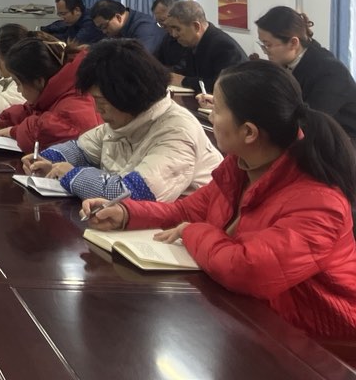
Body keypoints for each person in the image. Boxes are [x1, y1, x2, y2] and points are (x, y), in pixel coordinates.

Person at [84, 61, 356, 340]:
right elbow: (185, 210)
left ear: (249, 132)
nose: (210, 116)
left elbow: (247, 270)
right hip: (251, 318)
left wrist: (192, 232)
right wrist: (125, 213)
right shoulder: (240, 167)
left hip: (321, 344)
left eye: (216, 109)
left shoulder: (319, 203)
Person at [24, 39, 221, 201]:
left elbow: (132, 194)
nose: (97, 109)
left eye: (101, 101)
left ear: (126, 95)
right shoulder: (126, 120)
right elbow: (81, 149)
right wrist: (47, 160)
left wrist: (70, 174)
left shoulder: (177, 133)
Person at [0, 32, 101, 152]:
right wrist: (2, 123)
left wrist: (13, 131)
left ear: (39, 81)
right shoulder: (54, 93)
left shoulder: (76, 101)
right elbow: (32, 111)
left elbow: (49, 132)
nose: (18, 89)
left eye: (18, 83)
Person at [254, 6, 356, 141]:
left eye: (268, 45)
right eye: (262, 44)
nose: (265, 51)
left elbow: (309, 123)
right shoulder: (288, 63)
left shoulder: (330, 72)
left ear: (293, 43)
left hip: (342, 144)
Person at [161, 0, 246, 92]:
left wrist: (184, 81)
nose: (173, 35)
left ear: (196, 26)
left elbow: (222, 86)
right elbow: (188, 72)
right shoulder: (192, 43)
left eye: (177, 29)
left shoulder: (224, 46)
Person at [88, 0, 166, 57]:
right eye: (100, 28)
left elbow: (140, 59)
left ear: (118, 17)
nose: (104, 31)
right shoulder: (117, 29)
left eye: (104, 27)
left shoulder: (144, 28)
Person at [150, 0, 191, 70]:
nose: (163, 26)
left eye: (163, 20)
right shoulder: (167, 38)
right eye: (159, 23)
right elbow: (154, 61)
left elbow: (184, 69)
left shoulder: (190, 37)